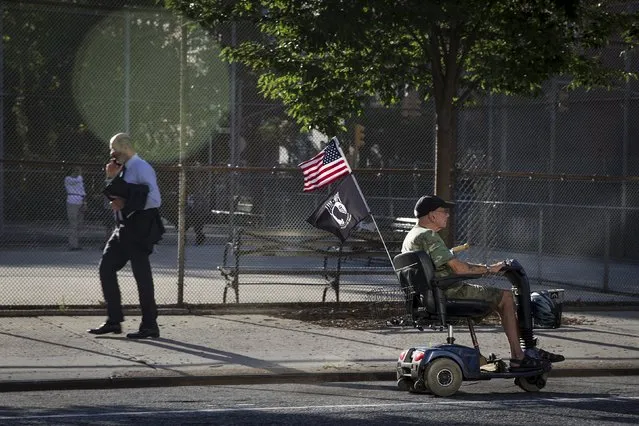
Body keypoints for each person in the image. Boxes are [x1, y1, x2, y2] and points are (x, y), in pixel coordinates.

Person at [401, 195, 564, 370]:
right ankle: (519, 356)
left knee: (500, 296)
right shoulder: (428, 235)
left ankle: (518, 353)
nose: (447, 216)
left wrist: (480, 268)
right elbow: (459, 269)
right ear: (432, 215)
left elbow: (448, 267)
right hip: (449, 292)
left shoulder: (412, 236)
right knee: (506, 297)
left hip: (433, 295)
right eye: (444, 212)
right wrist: (490, 268)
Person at [88, 133, 165, 339]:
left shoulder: (141, 167)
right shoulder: (122, 168)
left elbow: (154, 199)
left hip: (139, 228)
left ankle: (150, 325)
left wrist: (126, 203)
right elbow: (116, 193)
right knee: (106, 267)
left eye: (114, 148)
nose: (111, 152)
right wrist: (111, 178)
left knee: (142, 277)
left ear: (126, 146)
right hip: (123, 227)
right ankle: (114, 321)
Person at [64, 166, 86, 251]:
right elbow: (75, 180)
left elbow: (82, 190)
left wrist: (84, 202)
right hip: (72, 200)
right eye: (76, 170)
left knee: (79, 223)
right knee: (73, 223)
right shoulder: (68, 179)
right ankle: (73, 244)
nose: (78, 172)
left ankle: (76, 242)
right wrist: (78, 174)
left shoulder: (80, 179)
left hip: (80, 200)